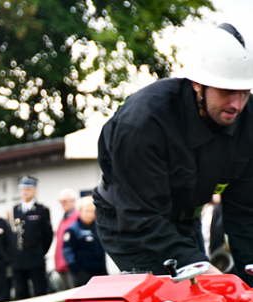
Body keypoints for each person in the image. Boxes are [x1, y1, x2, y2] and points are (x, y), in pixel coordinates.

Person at [93, 23, 253, 279]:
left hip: (185, 218)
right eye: (227, 91)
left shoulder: (247, 120)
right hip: (130, 222)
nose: (236, 104)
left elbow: (244, 214)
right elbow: (141, 217)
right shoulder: (144, 122)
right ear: (198, 85)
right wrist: (203, 270)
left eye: (244, 92)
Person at [10, 176, 53, 302]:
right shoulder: (16, 209)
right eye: (23, 189)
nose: (25, 192)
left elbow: (47, 234)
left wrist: (41, 251)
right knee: (22, 291)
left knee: (40, 289)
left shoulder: (41, 210)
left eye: (28, 189)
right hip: (19, 257)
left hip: (35, 255)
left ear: (34, 190)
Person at [63, 196, 107, 286]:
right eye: (87, 211)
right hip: (82, 274)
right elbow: (67, 251)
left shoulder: (100, 228)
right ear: (80, 212)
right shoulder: (73, 230)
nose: (90, 214)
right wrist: (75, 269)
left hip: (100, 271)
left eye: (92, 211)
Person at [54, 189, 79, 290]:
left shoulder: (77, 217)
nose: (62, 204)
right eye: (61, 201)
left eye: (65, 201)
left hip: (71, 264)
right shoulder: (63, 219)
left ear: (73, 201)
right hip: (61, 264)